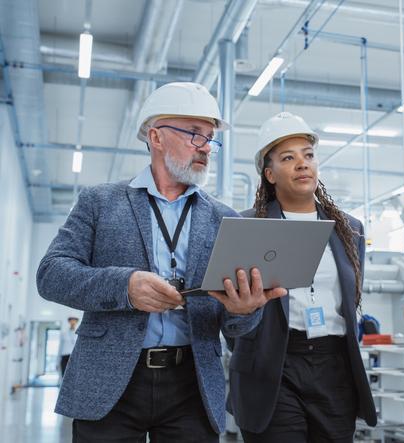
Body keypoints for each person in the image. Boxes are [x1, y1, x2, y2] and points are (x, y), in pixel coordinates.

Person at [37, 82, 286, 443]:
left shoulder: (224, 219)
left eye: (210, 139)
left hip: (192, 384)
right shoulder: (100, 202)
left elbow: (236, 328)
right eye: (194, 135)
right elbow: (51, 274)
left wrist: (244, 310)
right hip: (109, 380)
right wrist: (125, 287)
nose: (206, 148)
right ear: (155, 137)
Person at [227, 112, 377, 442]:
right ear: (269, 174)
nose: (302, 164)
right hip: (272, 367)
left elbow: (351, 301)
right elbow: (231, 309)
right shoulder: (247, 226)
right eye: (288, 158)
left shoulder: (350, 229)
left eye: (308, 155)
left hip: (333, 365)